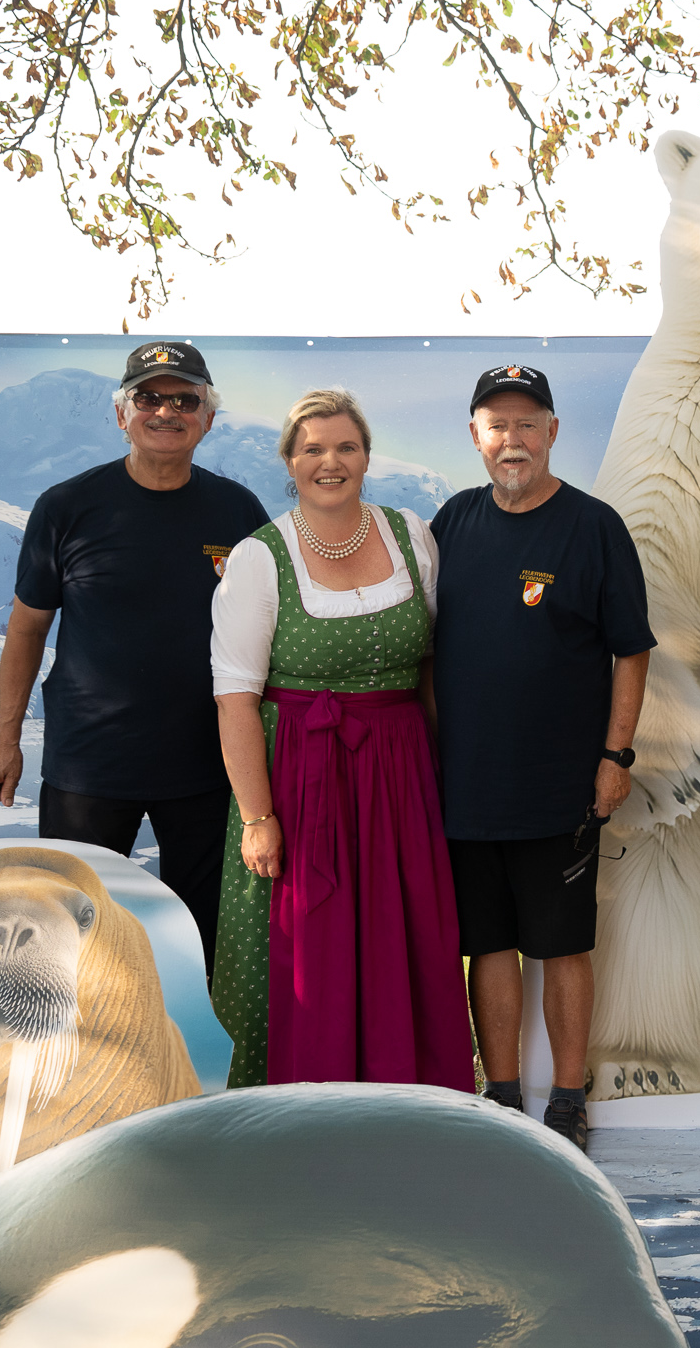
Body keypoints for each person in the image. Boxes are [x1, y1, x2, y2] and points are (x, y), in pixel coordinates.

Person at [206, 389, 471, 1092]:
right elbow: (235, 701)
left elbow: (429, 667)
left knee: (405, 937)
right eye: (313, 449)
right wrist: (258, 818)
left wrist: (442, 773)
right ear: (290, 462)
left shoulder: (411, 536)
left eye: (346, 447)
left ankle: (411, 1104)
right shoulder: (260, 558)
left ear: (367, 456)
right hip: (302, 776)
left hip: (401, 772)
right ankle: (296, 1112)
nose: (331, 462)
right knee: (307, 950)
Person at [0, 340, 268, 965]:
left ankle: (187, 1033)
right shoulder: (66, 507)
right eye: (148, 398)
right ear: (121, 414)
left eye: (184, 400)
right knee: (68, 938)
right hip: (89, 766)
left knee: (200, 943)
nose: (166, 412)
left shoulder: (238, 510)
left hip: (207, 766)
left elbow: (268, 633)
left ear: (208, 418)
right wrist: (6, 740)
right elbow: (26, 630)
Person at [430, 364, 654, 1154]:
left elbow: (632, 652)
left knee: (562, 945)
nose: (513, 439)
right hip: (465, 785)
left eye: (528, 423)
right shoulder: (451, 522)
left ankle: (567, 1097)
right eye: (498, 425)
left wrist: (615, 755)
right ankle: (501, 1095)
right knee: (487, 945)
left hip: (561, 786)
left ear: (553, 432)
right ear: (476, 436)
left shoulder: (593, 526)